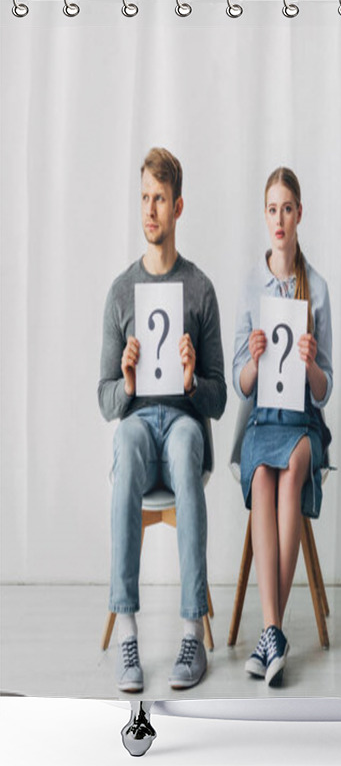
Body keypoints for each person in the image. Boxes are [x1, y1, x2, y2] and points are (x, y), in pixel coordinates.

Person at [98, 147, 227, 692]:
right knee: (126, 441)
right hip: (137, 422)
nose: (150, 210)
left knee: (184, 444)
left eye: (160, 200)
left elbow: (219, 400)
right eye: (144, 199)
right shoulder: (121, 291)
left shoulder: (199, 289)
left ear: (179, 207)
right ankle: (127, 629)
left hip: (181, 422)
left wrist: (193, 378)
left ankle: (191, 633)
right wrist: (126, 384)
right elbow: (105, 401)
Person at [232, 167, 333, 687]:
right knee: (262, 479)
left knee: (292, 469)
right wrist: (251, 359)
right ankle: (273, 630)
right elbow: (240, 383)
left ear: (299, 215)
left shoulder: (317, 289)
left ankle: (269, 634)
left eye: (287, 208)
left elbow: (326, 388)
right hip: (261, 421)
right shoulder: (251, 284)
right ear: (265, 216)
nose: (279, 218)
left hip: (301, 422)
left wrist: (313, 361)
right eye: (272, 209)